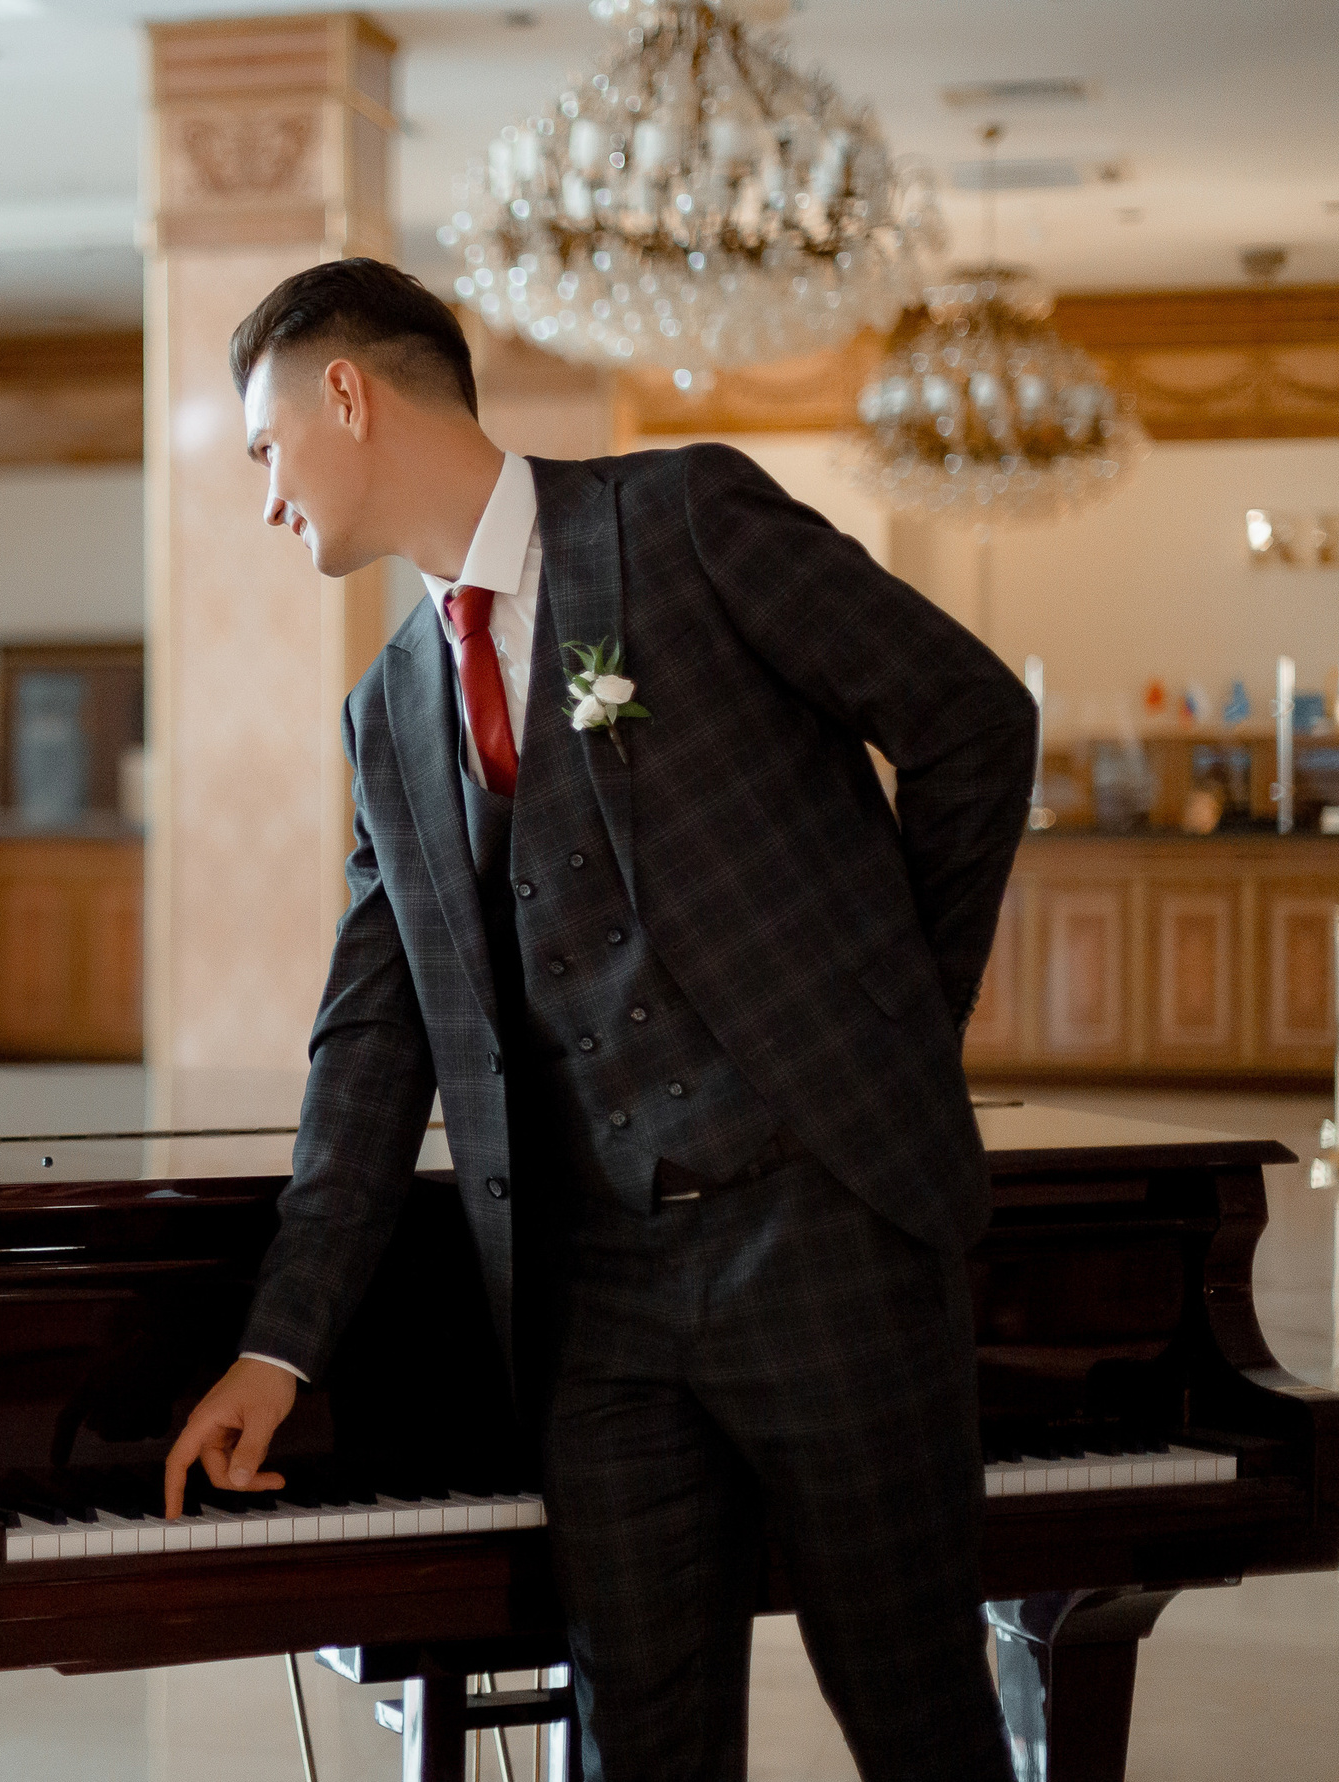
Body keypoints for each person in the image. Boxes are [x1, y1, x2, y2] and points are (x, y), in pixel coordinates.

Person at [162, 259, 1035, 1781]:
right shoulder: (387, 714)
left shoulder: (684, 521)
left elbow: (973, 722)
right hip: (594, 1306)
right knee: (635, 1746)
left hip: (825, 1235)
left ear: (348, 395)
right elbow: (370, 1048)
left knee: (920, 1725)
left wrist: (898, 1029)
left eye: (263, 446)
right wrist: (279, 1345)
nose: (264, 495)